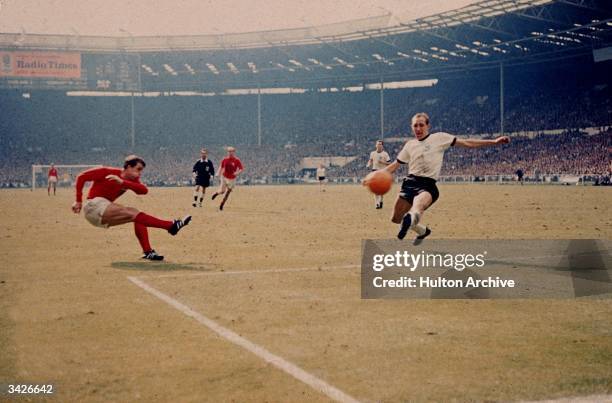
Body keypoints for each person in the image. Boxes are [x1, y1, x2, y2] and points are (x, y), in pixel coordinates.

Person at [371, 112, 510, 243]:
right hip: (409, 183)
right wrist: (374, 175)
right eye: (415, 125)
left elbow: (468, 143)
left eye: (421, 125)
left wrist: (494, 142)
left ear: (428, 126)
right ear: (411, 127)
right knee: (396, 219)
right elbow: (395, 165)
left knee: (418, 206)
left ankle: (411, 218)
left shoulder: (439, 138)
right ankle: (422, 231)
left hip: (428, 185)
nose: (418, 128)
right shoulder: (410, 145)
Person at [71, 155, 192, 261]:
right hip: (94, 206)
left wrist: (122, 183)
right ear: (128, 167)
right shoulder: (107, 171)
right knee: (134, 212)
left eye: (141, 171)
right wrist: (78, 201)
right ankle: (171, 226)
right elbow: (81, 177)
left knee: (137, 216)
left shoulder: (131, 180)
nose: (140, 173)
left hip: (102, 213)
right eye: (138, 169)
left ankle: (148, 252)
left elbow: (143, 190)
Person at [366, 140, 391, 209]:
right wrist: (368, 164)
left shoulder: (385, 154)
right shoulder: (372, 153)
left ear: (382, 146)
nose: (379, 145)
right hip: (374, 171)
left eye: (380, 144)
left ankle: (381, 201)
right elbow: (370, 160)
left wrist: (382, 162)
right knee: (375, 188)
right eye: (378, 144)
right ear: (376, 145)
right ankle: (377, 203)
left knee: (381, 189)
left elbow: (389, 163)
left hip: (383, 172)